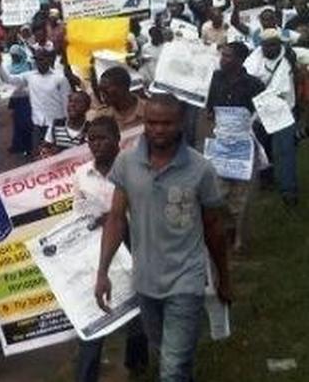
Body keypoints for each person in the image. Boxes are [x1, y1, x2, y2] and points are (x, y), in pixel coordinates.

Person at [95, 94, 231, 382]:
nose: (158, 129)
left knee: (171, 369)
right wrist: (102, 272)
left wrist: (224, 277)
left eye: (166, 123)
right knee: (168, 356)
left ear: (180, 122)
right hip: (145, 281)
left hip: (186, 279)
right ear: (145, 123)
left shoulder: (200, 168)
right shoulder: (127, 162)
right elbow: (116, 219)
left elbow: (214, 229)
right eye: (152, 122)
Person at [72, 117, 148, 382]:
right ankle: (87, 375)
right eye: (92, 139)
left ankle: (137, 364)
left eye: (103, 138)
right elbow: (79, 215)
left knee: (137, 307)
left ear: (117, 139)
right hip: (98, 251)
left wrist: (119, 219)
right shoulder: (82, 175)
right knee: (95, 311)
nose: (96, 144)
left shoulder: (135, 167)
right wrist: (98, 221)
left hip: (135, 244)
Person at [207, 42, 265, 251]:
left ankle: (240, 239)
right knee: (218, 191)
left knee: (242, 193)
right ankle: (226, 230)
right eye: (222, 55)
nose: (223, 59)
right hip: (220, 142)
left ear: (240, 60)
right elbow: (209, 109)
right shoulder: (213, 80)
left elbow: (266, 113)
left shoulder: (254, 84)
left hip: (243, 145)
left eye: (228, 56)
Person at [244, 29, 299, 206]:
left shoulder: (289, 57)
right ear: (261, 45)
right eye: (267, 45)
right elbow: (246, 77)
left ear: (280, 44)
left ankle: (288, 189)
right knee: (263, 150)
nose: (271, 48)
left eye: (275, 44)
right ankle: (266, 180)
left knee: (285, 150)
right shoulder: (253, 60)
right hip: (260, 112)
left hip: (283, 110)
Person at [0, 48, 72, 155]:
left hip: (56, 125)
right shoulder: (30, 76)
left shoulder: (60, 78)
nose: (39, 62)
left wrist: (67, 123)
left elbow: (67, 103)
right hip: (37, 124)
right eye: (36, 60)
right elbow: (9, 80)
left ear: (48, 59)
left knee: (57, 156)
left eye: (41, 59)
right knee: (38, 156)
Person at [40, 91, 91, 158]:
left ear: (87, 107)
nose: (72, 105)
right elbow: (46, 146)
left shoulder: (90, 129)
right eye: (70, 101)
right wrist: (46, 151)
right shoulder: (56, 125)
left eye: (78, 102)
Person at [94, 67, 145, 131]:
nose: (103, 93)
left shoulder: (148, 110)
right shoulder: (102, 116)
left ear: (123, 87)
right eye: (101, 89)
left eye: (106, 88)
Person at [6, 44, 33, 155]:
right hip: (14, 97)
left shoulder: (28, 66)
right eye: (12, 56)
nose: (14, 58)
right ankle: (17, 145)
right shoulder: (9, 67)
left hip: (26, 98)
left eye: (16, 55)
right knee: (16, 122)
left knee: (26, 123)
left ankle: (28, 147)